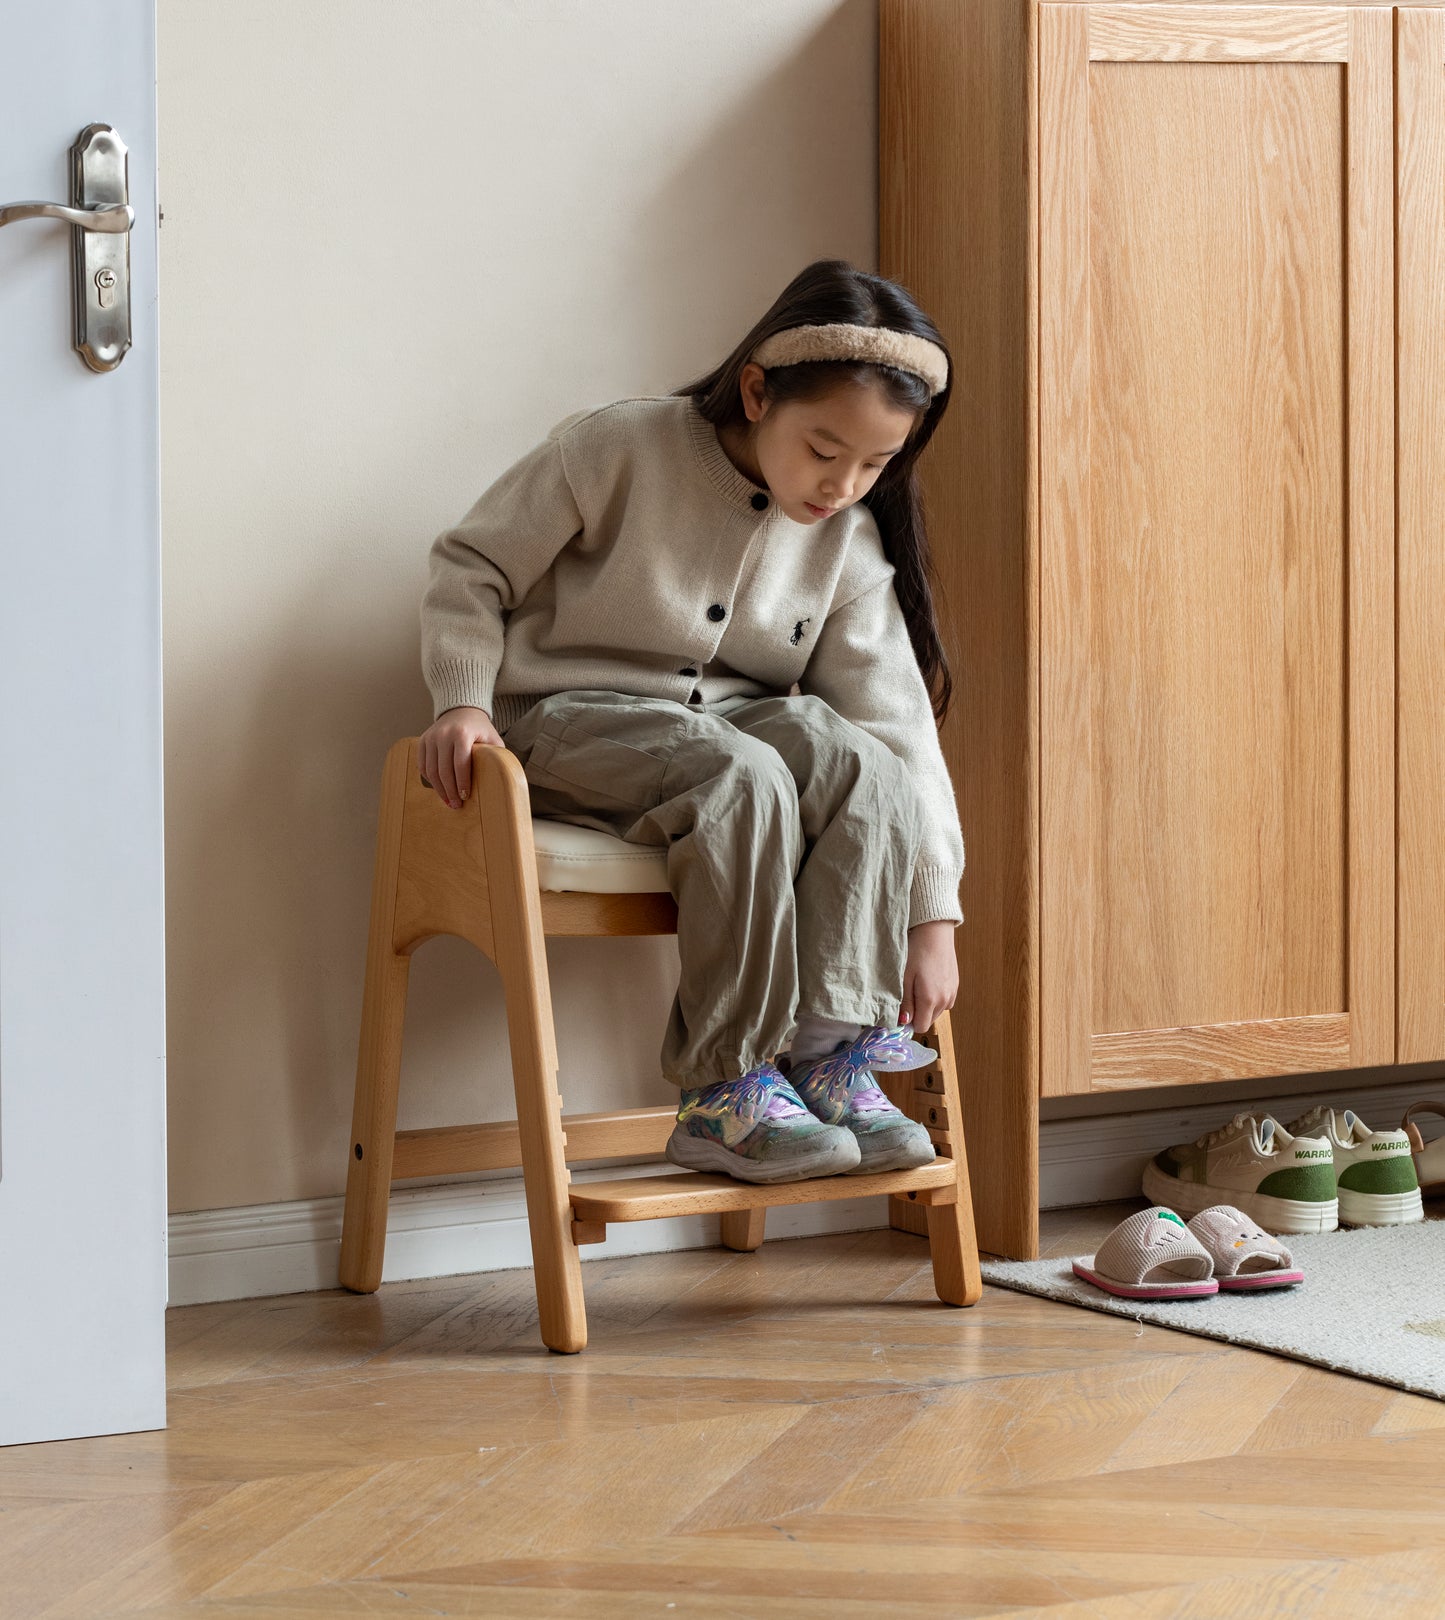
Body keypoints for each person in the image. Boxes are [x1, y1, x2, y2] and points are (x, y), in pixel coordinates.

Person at [416, 257, 964, 1187]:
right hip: (568, 723)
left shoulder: (849, 540)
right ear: (756, 392)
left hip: (730, 729)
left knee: (857, 762)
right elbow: (472, 566)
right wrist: (462, 699)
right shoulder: (615, 448)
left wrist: (933, 912)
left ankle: (824, 1056)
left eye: (875, 465)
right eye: (824, 451)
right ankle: (726, 1085)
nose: (841, 485)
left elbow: (900, 726)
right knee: (738, 771)